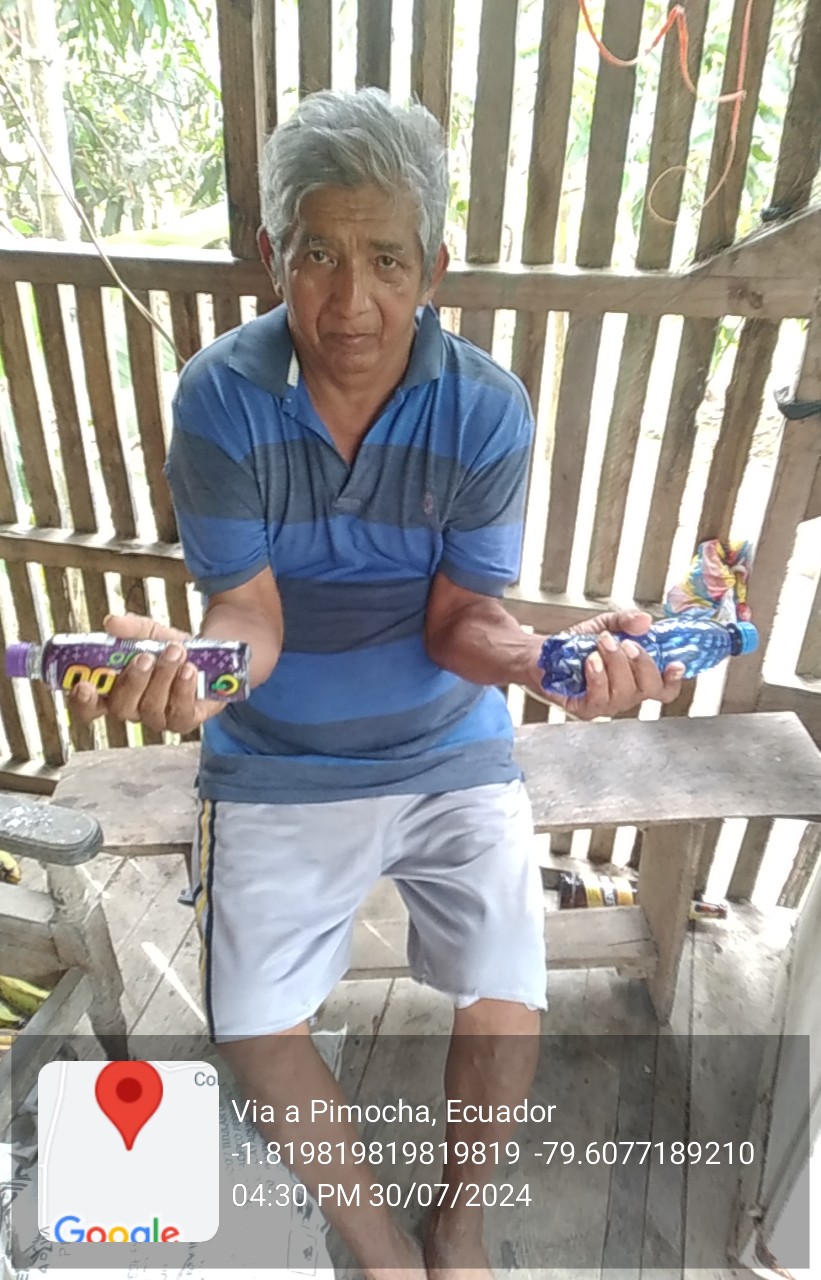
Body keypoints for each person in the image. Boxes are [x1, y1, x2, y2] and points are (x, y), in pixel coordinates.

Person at [71, 88, 684, 1279]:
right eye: (318, 253)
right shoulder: (218, 397)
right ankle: (383, 1251)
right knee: (253, 1023)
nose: (350, 301)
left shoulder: (484, 408)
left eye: (386, 259)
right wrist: (198, 678)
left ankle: (457, 1224)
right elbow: (249, 618)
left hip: (449, 744)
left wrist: (550, 662)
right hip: (275, 758)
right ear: (272, 253)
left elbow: (461, 623)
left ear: (433, 267)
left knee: (506, 993)